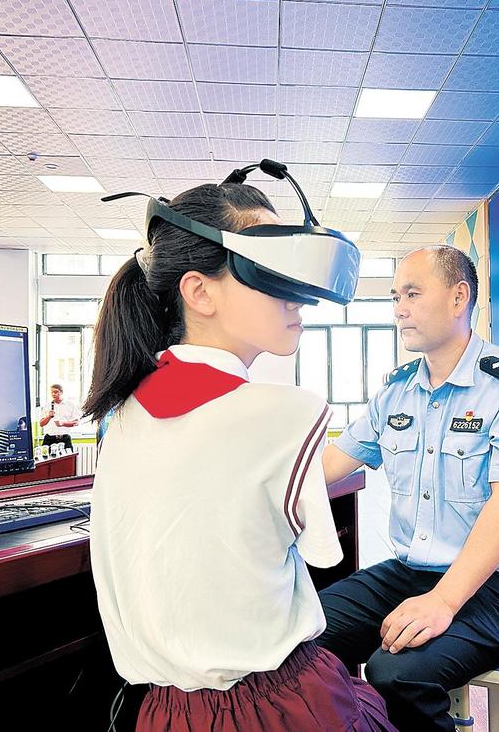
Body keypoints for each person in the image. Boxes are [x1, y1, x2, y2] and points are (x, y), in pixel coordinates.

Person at [83, 180, 396, 732]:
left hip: (162, 714)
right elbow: (323, 556)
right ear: (199, 292)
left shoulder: (119, 415)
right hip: (281, 706)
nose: (297, 296)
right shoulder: (290, 414)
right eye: (270, 268)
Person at [319, 246, 499, 732]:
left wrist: (444, 601)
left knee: (396, 673)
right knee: (306, 632)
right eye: (394, 297)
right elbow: (331, 464)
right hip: (412, 571)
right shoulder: (396, 390)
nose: (399, 309)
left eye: (412, 294)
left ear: (458, 297)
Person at [39, 383, 80, 450]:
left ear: (61, 392)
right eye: (52, 392)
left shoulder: (70, 405)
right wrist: (49, 417)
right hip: (49, 439)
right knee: (46, 456)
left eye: (56, 392)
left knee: (68, 457)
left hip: (65, 439)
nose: (53, 394)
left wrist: (63, 423)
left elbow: (76, 423)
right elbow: (41, 424)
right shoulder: (47, 406)